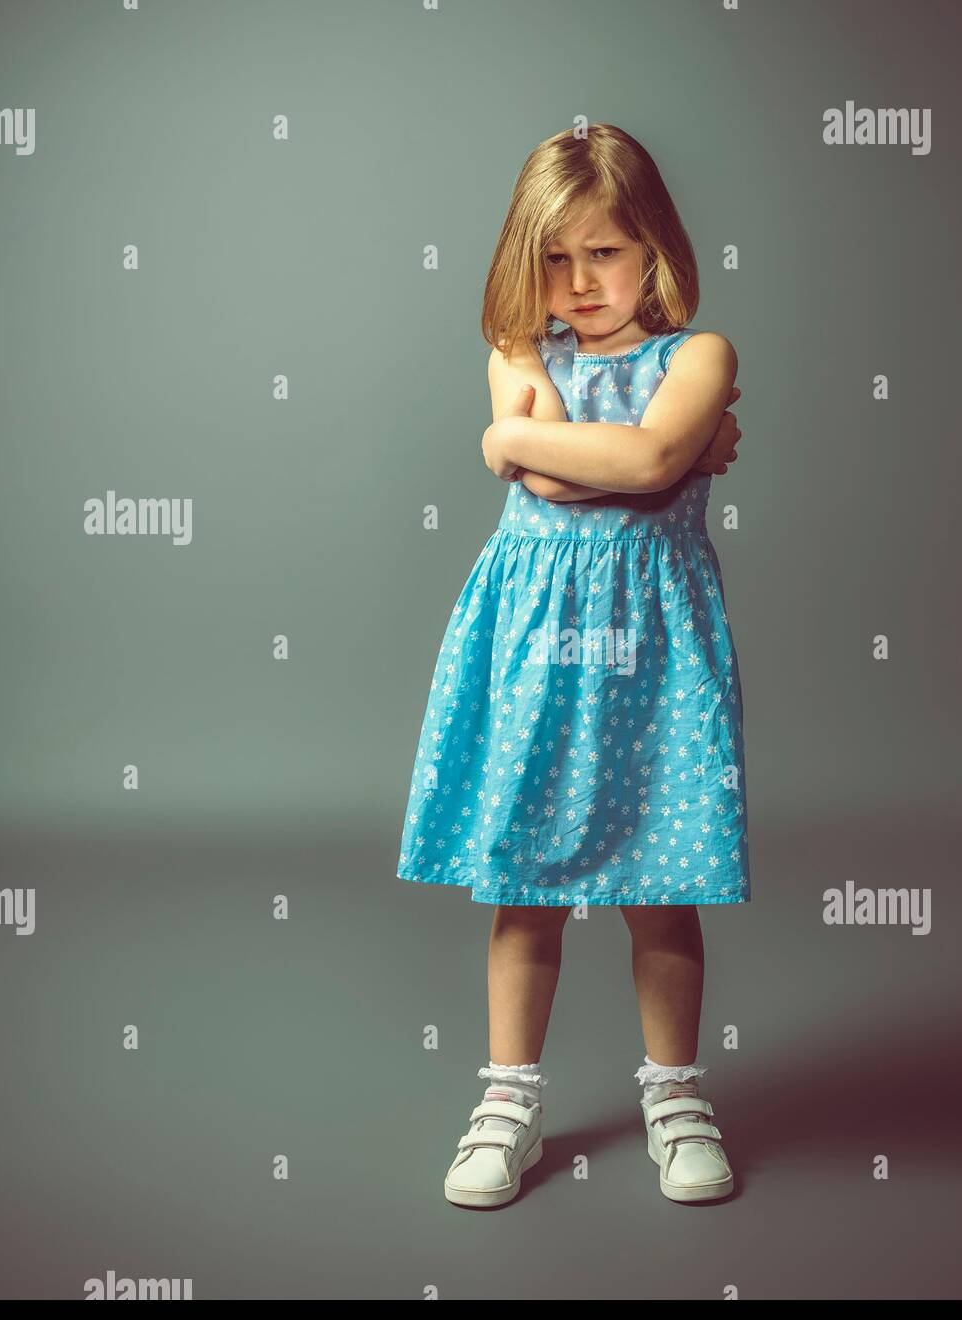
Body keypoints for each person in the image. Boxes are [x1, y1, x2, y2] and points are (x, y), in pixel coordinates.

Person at [396, 123, 750, 1206]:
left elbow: (627, 457)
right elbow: (570, 479)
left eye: (604, 251)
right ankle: (507, 1099)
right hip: (536, 643)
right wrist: (633, 457)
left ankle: (676, 1094)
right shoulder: (518, 351)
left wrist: (536, 447)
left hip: (656, 650)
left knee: (663, 879)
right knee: (524, 885)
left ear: (656, 250)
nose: (579, 280)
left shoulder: (698, 357)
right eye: (554, 256)